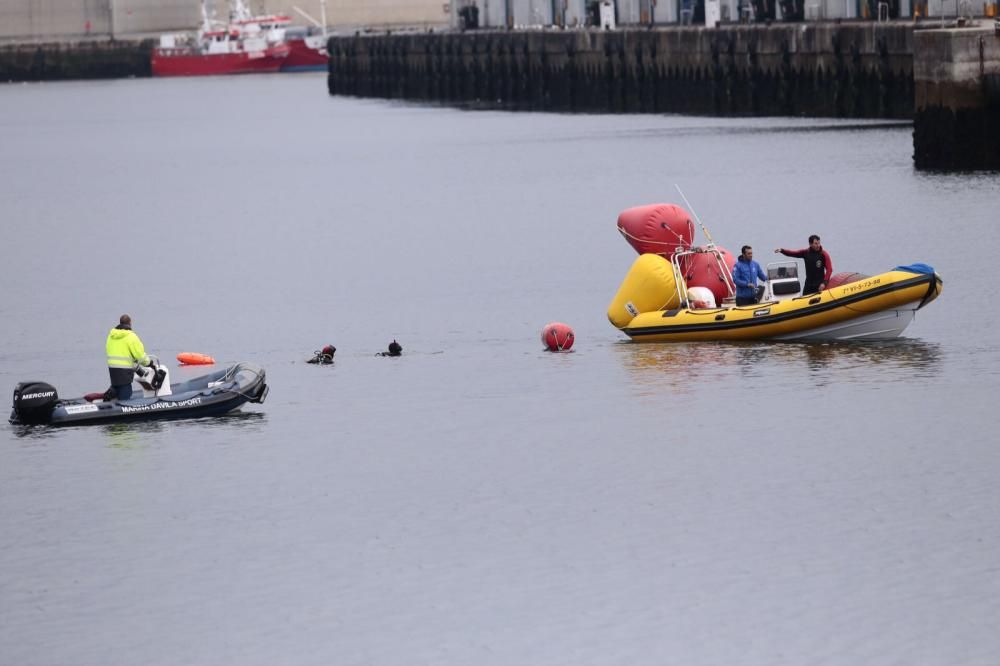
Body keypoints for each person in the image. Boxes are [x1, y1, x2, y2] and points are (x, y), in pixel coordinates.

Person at [105, 314, 151, 400]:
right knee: (125, 393)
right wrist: (149, 363)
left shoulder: (111, 336)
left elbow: (110, 350)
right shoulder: (131, 336)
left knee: (116, 387)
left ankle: (109, 398)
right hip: (125, 372)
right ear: (130, 323)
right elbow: (140, 356)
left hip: (113, 370)